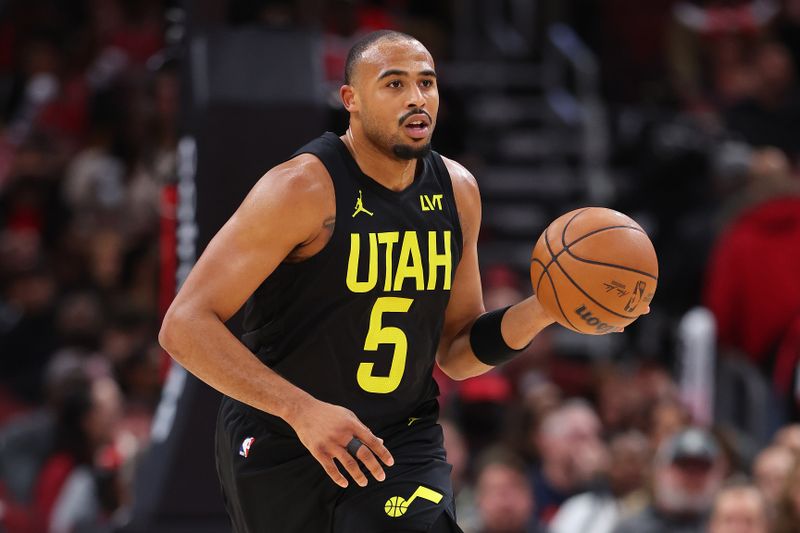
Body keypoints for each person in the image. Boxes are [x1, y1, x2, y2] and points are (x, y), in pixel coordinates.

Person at [159, 30, 642, 533]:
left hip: (400, 437)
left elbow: (456, 352)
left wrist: (544, 309)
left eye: (426, 83)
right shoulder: (301, 190)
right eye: (394, 84)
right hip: (284, 436)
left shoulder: (458, 191)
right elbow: (184, 326)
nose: (416, 98)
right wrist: (301, 410)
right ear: (351, 100)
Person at [613, 427, 726, 533]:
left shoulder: (730, 525)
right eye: (684, 466)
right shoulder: (632, 529)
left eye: (702, 468)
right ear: (660, 470)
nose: (692, 477)